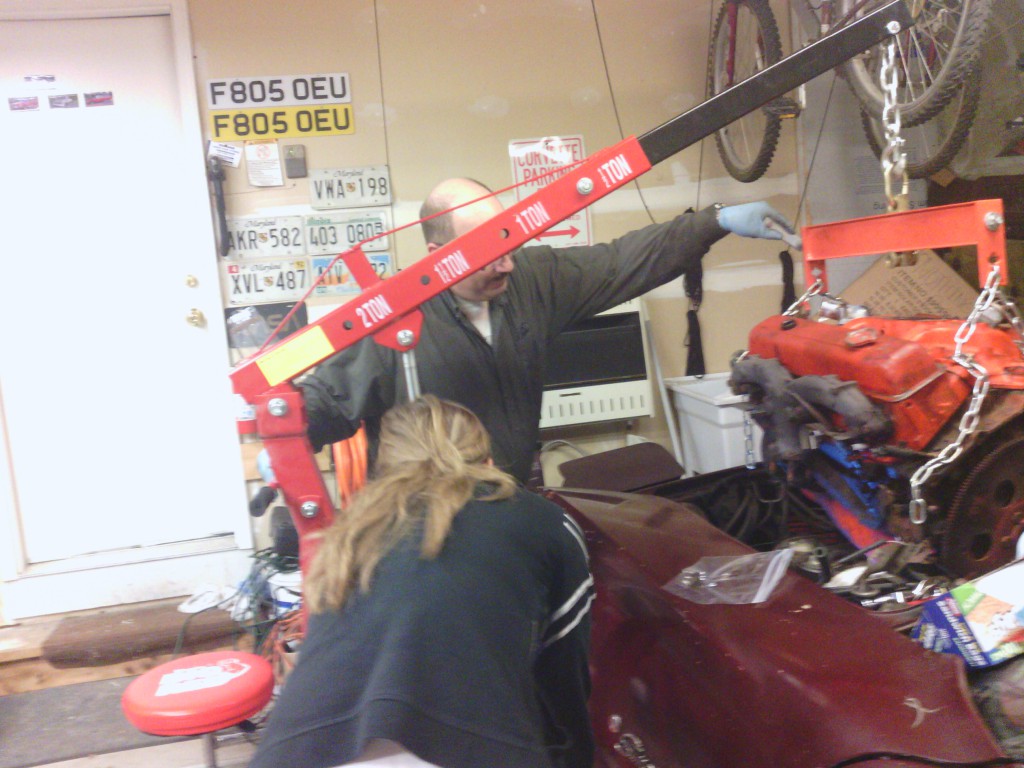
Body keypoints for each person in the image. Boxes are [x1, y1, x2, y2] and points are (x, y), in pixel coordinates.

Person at [300, 177, 799, 484]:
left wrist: (714, 222)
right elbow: (323, 407)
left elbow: (620, 262)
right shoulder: (391, 319)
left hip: (510, 506)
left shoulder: (533, 282)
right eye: (483, 254)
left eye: (508, 243)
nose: (507, 264)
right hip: (424, 537)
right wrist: (286, 418)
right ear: (437, 256)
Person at [249, 395, 595, 768]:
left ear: (387, 467)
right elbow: (563, 681)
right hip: (468, 748)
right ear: (488, 462)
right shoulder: (546, 522)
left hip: (296, 750)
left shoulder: (345, 538)